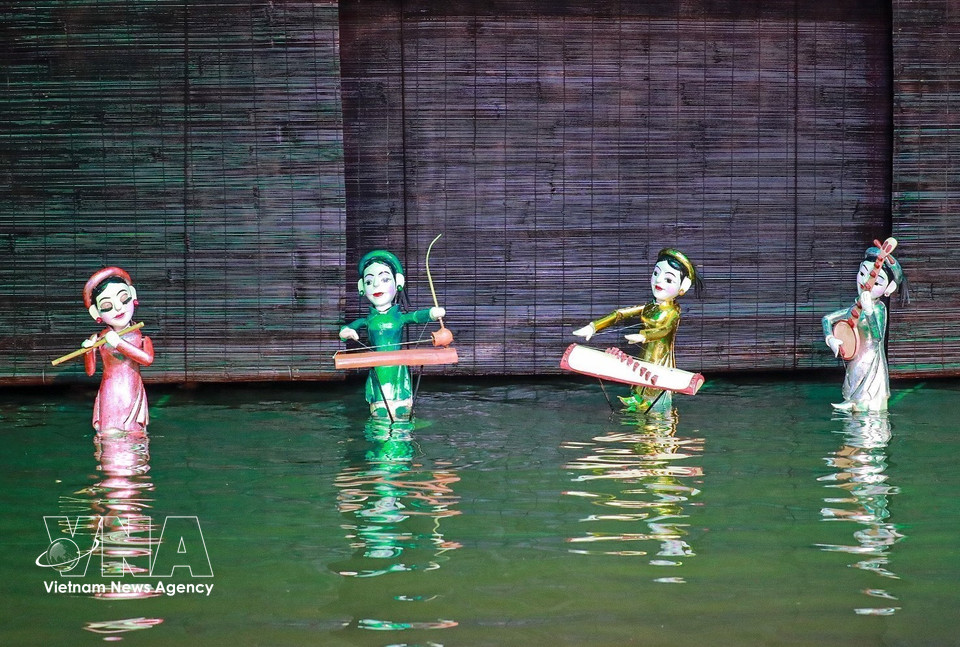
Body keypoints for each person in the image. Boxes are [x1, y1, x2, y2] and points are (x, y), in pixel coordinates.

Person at [573, 249, 700, 415]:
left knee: (656, 406)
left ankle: (660, 435)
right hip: (646, 357)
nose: (658, 280)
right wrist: (594, 326)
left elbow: (664, 330)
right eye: (656, 273)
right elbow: (620, 314)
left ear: (683, 287)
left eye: (668, 279)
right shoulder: (650, 306)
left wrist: (643, 336)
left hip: (660, 361)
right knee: (639, 399)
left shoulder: (672, 312)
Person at [340, 251, 445, 419]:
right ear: (361, 287)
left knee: (402, 412)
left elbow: (416, 316)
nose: (376, 285)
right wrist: (347, 331)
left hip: (398, 372)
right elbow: (346, 330)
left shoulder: (399, 317)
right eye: (369, 281)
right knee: (379, 413)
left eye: (385, 279)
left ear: (398, 282)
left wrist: (432, 313)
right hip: (378, 372)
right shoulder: (367, 320)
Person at [822, 244, 906, 411]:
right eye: (862, 274)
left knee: (869, 406)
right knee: (851, 388)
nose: (865, 282)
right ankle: (852, 402)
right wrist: (830, 338)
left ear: (888, 289)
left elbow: (878, 337)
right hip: (855, 360)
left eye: (876, 281)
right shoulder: (854, 308)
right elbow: (827, 319)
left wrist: (868, 311)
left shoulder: (879, 308)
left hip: (872, 362)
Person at [82, 267, 154, 432]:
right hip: (110, 394)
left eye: (123, 299)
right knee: (110, 434)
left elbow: (147, 359)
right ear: (96, 312)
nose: (118, 308)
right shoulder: (100, 339)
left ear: (133, 295)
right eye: (107, 305)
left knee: (135, 436)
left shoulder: (141, 338)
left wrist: (119, 344)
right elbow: (91, 371)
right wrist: (88, 351)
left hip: (132, 391)